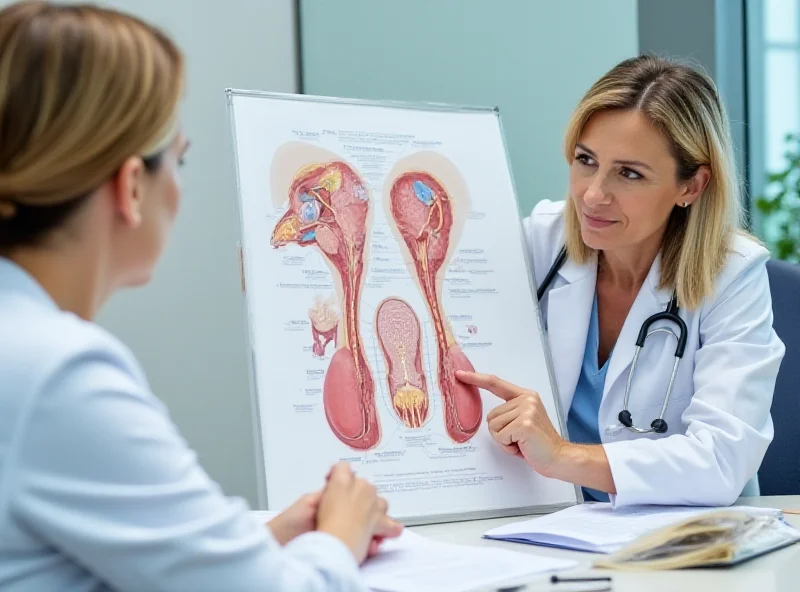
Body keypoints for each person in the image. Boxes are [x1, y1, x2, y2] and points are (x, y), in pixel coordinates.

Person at [0, 2, 401, 591]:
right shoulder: (58, 375)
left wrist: (248, 543)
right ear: (132, 185)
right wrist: (339, 537)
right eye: (179, 159)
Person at [457, 55, 785, 507]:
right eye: (586, 160)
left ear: (691, 186)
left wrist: (562, 456)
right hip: (552, 525)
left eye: (629, 173)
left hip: (683, 540)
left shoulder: (732, 274)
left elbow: (721, 458)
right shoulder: (540, 241)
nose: (593, 194)